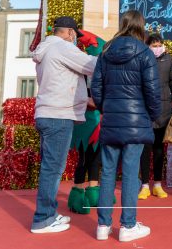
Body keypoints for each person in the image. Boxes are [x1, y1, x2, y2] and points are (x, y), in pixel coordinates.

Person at [91, 11, 160, 243]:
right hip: (136, 122)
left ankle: (103, 225)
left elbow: (96, 88)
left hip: (111, 120)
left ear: (123, 24)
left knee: (108, 172)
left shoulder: (106, 51)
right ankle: (128, 225)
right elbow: (152, 90)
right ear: (141, 26)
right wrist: (153, 115)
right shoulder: (144, 52)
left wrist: (106, 109)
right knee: (131, 173)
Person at [30, 16, 98, 234]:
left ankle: (48, 213)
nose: (76, 41)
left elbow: (59, 83)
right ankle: (43, 219)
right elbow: (93, 65)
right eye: (75, 36)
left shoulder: (46, 48)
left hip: (47, 113)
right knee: (53, 169)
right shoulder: (62, 47)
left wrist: (83, 100)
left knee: (49, 167)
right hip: (58, 116)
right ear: (69, 32)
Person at [138, 32, 172, 200]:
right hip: (145, 108)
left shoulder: (168, 59)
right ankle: (144, 185)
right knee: (144, 147)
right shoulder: (142, 58)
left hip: (164, 108)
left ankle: (157, 184)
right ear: (147, 46)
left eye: (159, 45)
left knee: (158, 148)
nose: (157, 49)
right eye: (153, 45)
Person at [67, 30, 106, 214]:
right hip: (83, 117)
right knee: (83, 158)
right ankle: (77, 194)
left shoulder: (100, 65)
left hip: (98, 118)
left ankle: (93, 193)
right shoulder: (77, 66)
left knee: (95, 158)